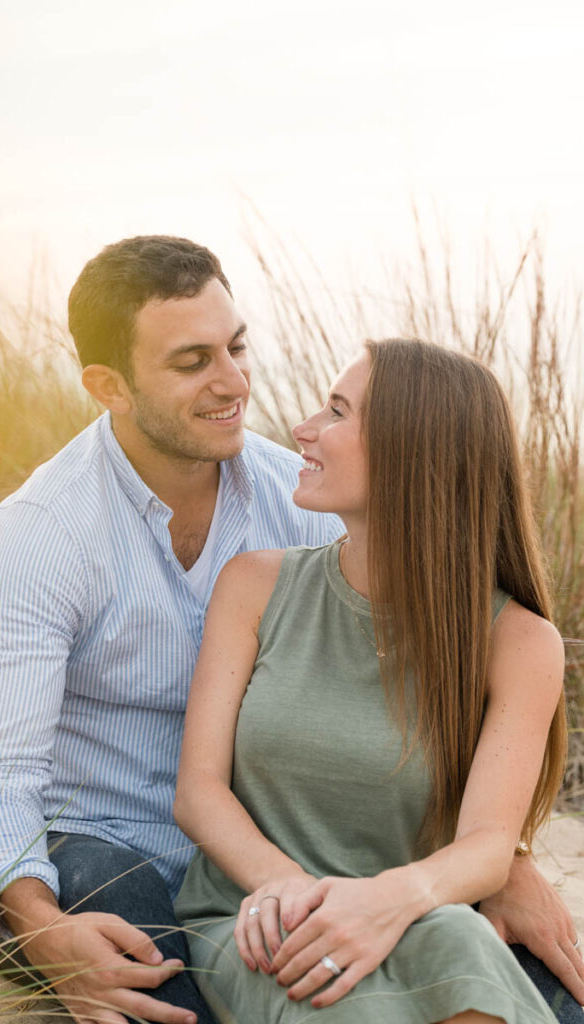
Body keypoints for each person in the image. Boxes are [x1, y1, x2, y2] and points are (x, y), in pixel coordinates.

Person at [0, 237, 582, 1024]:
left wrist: (496, 860)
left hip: (316, 858)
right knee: (148, 976)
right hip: (116, 843)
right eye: (192, 362)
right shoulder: (45, 532)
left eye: (237, 346)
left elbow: (407, 665)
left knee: (543, 991)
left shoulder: (302, 492)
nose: (235, 382)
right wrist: (36, 925)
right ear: (109, 386)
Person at [174, 339, 582, 1024]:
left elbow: (486, 845)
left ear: (410, 453)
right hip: (259, 912)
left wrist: (384, 903)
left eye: (336, 411)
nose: (303, 428)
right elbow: (198, 791)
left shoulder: (518, 642)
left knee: (460, 940)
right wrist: (298, 894)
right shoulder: (252, 586)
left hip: (414, 915)